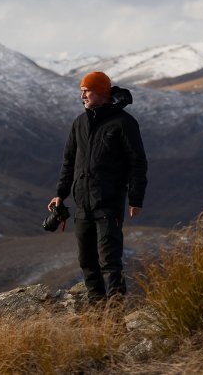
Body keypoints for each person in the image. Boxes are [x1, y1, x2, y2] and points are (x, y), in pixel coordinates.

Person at [48, 71, 148, 301]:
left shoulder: (124, 123)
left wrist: (135, 198)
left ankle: (114, 315)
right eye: (81, 91)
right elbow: (69, 160)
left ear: (102, 93)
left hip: (108, 203)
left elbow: (137, 162)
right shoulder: (79, 122)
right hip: (82, 203)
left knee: (110, 261)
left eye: (87, 91)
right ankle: (97, 311)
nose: (82, 95)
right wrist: (60, 194)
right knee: (87, 261)